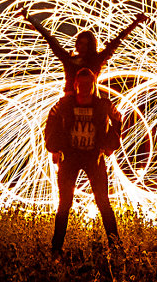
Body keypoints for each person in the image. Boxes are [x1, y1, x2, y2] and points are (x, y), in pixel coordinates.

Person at [43, 68, 123, 256]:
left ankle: (116, 246)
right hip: (70, 157)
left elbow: (118, 118)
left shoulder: (103, 104)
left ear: (93, 85)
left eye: (89, 84)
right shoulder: (65, 103)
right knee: (64, 203)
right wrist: (54, 146)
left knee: (103, 202)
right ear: (76, 85)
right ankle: (56, 248)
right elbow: (51, 119)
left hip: (93, 157)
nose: (85, 88)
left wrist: (110, 143)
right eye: (82, 84)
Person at [20, 5, 147, 94]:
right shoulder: (68, 59)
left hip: (91, 100)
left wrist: (135, 23)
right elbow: (50, 39)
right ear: (76, 44)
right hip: (69, 100)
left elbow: (116, 41)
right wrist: (29, 18)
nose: (82, 47)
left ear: (91, 45)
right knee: (55, 120)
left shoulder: (96, 60)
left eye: (86, 44)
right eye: (80, 43)